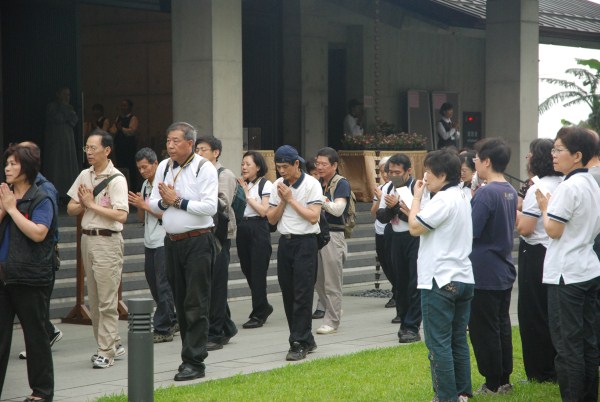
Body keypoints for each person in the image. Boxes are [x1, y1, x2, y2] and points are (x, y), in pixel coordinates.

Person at [149, 122, 218, 381]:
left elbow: (209, 207)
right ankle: (188, 355)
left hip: (198, 241)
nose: (170, 146)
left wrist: (177, 201)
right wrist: (165, 201)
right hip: (172, 241)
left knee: (196, 301)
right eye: (168, 141)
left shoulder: (204, 167)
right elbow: (153, 201)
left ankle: (194, 361)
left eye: (176, 141)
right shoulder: (165, 167)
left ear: (190, 143)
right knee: (180, 299)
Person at [535, 127, 600, 402]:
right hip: (588, 267)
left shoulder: (568, 186)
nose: (554, 155)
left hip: (566, 274)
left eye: (559, 150)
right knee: (587, 343)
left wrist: (544, 208)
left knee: (567, 346)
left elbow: (553, 230)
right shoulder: (592, 184)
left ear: (577, 155)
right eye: (553, 149)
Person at [408, 149, 474, 402]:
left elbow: (414, 227)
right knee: (457, 339)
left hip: (440, 279)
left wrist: (416, 198)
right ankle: (462, 392)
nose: (424, 176)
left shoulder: (442, 199)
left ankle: (446, 396)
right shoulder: (462, 195)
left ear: (443, 174)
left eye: (428, 171)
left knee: (438, 343)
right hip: (463, 277)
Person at [67, 129, 129, 369]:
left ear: (107, 150)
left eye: (93, 148)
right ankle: (111, 341)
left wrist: (92, 205)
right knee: (93, 298)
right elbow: (72, 207)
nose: (89, 152)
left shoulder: (117, 179)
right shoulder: (85, 175)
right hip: (87, 239)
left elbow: (121, 215)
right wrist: (84, 204)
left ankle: (105, 350)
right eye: (87, 148)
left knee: (106, 300)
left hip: (107, 241)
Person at [0, 144, 58, 402]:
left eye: (13, 163)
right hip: (4, 275)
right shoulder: (6, 194)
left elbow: (39, 232)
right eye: (7, 163)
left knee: (35, 338)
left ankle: (41, 393)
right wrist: (4, 208)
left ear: (27, 167)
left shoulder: (41, 196)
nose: (7, 168)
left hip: (31, 277)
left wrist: (12, 209)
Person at [468, 137, 517, 395]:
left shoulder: (487, 193)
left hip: (484, 271)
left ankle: (492, 383)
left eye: (476, 157)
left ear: (487, 161)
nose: (474, 161)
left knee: (484, 328)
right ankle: (503, 379)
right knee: (500, 326)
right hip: (501, 269)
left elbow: (471, 230)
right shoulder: (508, 189)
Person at [267, 145, 322, 361]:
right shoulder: (277, 186)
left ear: (296, 164)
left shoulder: (312, 184)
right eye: (278, 167)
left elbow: (313, 216)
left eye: (285, 167)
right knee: (288, 293)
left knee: (302, 293)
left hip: (306, 243)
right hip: (286, 243)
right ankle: (304, 337)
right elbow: (271, 219)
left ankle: (298, 341)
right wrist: (283, 199)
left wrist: (291, 199)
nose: (282, 171)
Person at [515, 138, 561, 383]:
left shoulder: (537, 187)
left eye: (530, 154)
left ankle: (540, 371)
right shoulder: (565, 181)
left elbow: (526, 228)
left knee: (533, 314)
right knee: (552, 312)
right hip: (555, 252)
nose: (527, 159)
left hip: (535, 254)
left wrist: (511, 208)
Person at [17, 142, 63, 360]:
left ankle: (45, 337)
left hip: (39, 257)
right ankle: (48, 333)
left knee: (36, 305)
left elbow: (44, 231)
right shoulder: (16, 188)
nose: (10, 166)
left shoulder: (43, 189)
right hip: (19, 258)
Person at [128, 147, 178, 344]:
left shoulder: (164, 185)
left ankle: (164, 327)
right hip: (149, 239)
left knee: (163, 284)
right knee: (153, 283)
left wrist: (145, 205)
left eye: (145, 167)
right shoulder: (144, 185)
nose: (142, 171)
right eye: (139, 168)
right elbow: (142, 216)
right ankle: (171, 318)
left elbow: (168, 213)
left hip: (163, 239)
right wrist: (139, 206)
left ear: (156, 164)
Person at [194, 135, 240, 349]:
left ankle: (216, 333)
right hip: (202, 234)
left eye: (203, 149)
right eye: (197, 149)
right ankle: (227, 326)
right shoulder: (197, 173)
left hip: (219, 236)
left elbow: (221, 203)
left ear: (216, 152)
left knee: (217, 285)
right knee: (210, 283)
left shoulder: (225, 174)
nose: (198, 153)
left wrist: (195, 198)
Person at [376, 153, 422, 343]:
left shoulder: (417, 188)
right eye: (390, 172)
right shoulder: (387, 187)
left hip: (414, 238)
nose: (392, 175)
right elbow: (380, 216)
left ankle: (412, 325)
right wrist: (392, 209)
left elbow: (418, 218)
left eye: (397, 172)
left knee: (414, 283)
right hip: (395, 237)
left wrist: (398, 208)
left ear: (408, 171)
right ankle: (403, 320)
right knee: (400, 282)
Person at [313, 147, 349, 335]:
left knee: (332, 282)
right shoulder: (316, 182)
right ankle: (333, 310)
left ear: (334, 165)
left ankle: (332, 321)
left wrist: (320, 200)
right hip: (317, 234)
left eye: (323, 164)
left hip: (334, 235)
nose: (319, 167)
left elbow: (338, 210)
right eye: (317, 163)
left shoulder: (341, 183)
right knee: (318, 280)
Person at [236, 151, 274, 330]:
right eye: (242, 164)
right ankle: (264, 305)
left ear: (258, 167)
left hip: (259, 228)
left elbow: (264, 211)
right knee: (247, 269)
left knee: (258, 271)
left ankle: (258, 313)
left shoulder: (265, 184)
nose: (243, 167)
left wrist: (246, 195)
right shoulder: (241, 184)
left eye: (248, 164)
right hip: (242, 228)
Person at [43, 86, 79, 200]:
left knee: (68, 164)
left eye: (68, 95)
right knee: (56, 166)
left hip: (68, 139)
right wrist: (65, 109)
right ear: (58, 94)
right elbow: (58, 118)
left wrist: (68, 111)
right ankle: (56, 192)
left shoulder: (70, 107)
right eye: (64, 94)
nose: (66, 97)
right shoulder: (52, 106)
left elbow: (74, 120)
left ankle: (68, 193)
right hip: (56, 140)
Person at [371, 157, 395, 309]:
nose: (386, 174)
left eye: (389, 171)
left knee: (394, 264)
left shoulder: (398, 188)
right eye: (383, 171)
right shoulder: (381, 189)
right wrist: (379, 199)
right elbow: (373, 212)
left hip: (393, 231)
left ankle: (397, 292)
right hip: (380, 230)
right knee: (385, 263)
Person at [109, 99, 139, 188]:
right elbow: (113, 130)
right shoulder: (118, 118)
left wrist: (121, 128)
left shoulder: (133, 118)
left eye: (125, 105)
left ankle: (132, 188)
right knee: (120, 166)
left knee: (130, 167)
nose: (123, 108)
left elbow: (132, 131)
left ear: (130, 107)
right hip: (119, 146)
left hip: (129, 147)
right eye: (122, 106)